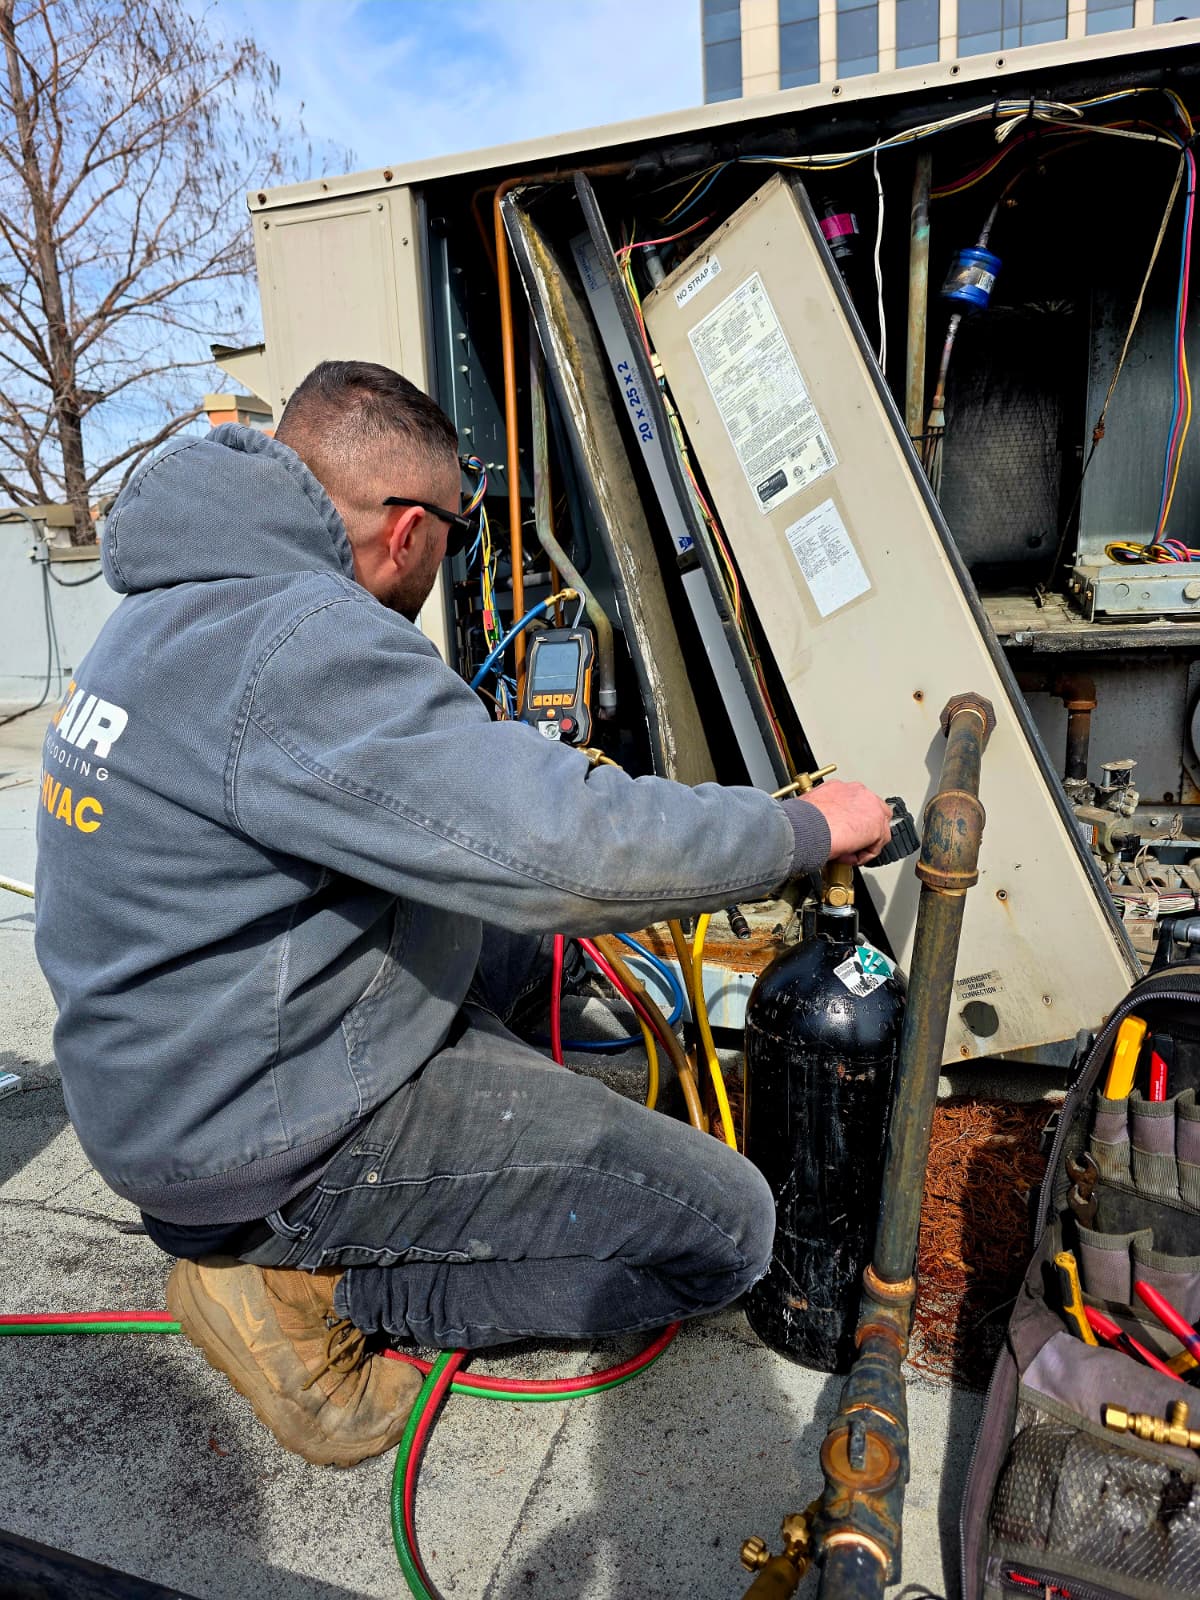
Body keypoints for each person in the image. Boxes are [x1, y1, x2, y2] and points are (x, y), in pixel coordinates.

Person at [34, 360, 893, 1468]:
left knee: (527, 946)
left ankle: (451, 1152)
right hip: (253, 1147)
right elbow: (574, 847)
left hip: (172, 1075)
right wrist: (805, 830)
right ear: (409, 531)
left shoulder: (173, 606)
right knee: (727, 1229)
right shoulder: (303, 643)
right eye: (452, 532)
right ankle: (314, 1294)